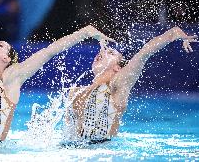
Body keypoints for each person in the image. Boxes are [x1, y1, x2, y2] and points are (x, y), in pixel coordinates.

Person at [0, 25, 114, 149]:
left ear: (7, 59)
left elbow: (49, 51)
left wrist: (84, 32)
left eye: (0, 45)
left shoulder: (11, 78)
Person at [64, 27, 197, 145]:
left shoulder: (117, 84)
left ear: (117, 67)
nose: (102, 52)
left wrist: (174, 33)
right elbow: (69, 135)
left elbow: (145, 52)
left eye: (111, 53)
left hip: (101, 150)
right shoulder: (75, 92)